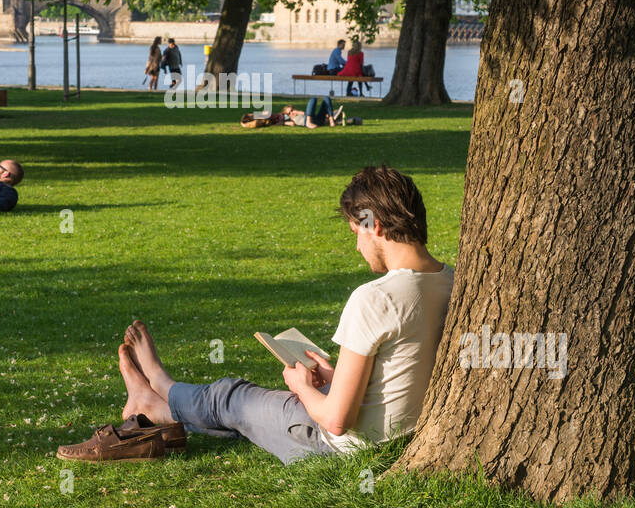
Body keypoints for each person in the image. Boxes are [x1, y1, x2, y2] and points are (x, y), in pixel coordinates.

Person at [58, 166, 453, 464]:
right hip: (396, 435)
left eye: (355, 234)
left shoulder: (375, 297)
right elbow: (402, 366)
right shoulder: (450, 280)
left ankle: (158, 389)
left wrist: (300, 384)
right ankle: (156, 405)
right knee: (243, 412)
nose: (357, 248)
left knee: (233, 396)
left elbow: (335, 420)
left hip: (332, 446)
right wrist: (334, 376)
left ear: (375, 226)